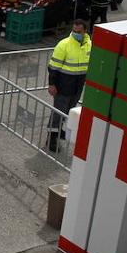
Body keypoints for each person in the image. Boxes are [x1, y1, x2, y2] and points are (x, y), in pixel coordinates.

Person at [47, 19, 91, 153]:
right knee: (58, 112)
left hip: (78, 85)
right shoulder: (64, 44)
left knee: (69, 110)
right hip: (63, 84)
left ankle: (59, 130)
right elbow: (53, 67)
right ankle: (51, 138)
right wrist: (52, 84)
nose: (76, 33)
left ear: (85, 31)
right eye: (74, 31)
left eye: (79, 32)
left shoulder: (89, 44)